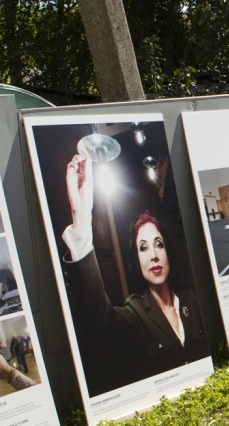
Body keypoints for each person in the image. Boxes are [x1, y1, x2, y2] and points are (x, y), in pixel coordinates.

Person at [62, 154, 208, 380]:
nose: (153, 255)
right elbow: (97, 318)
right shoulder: (134, 316)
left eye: (158, 244)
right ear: (136, 261)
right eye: (143, 248)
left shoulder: (194, 301)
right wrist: (80, 218)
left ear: (168, 251)